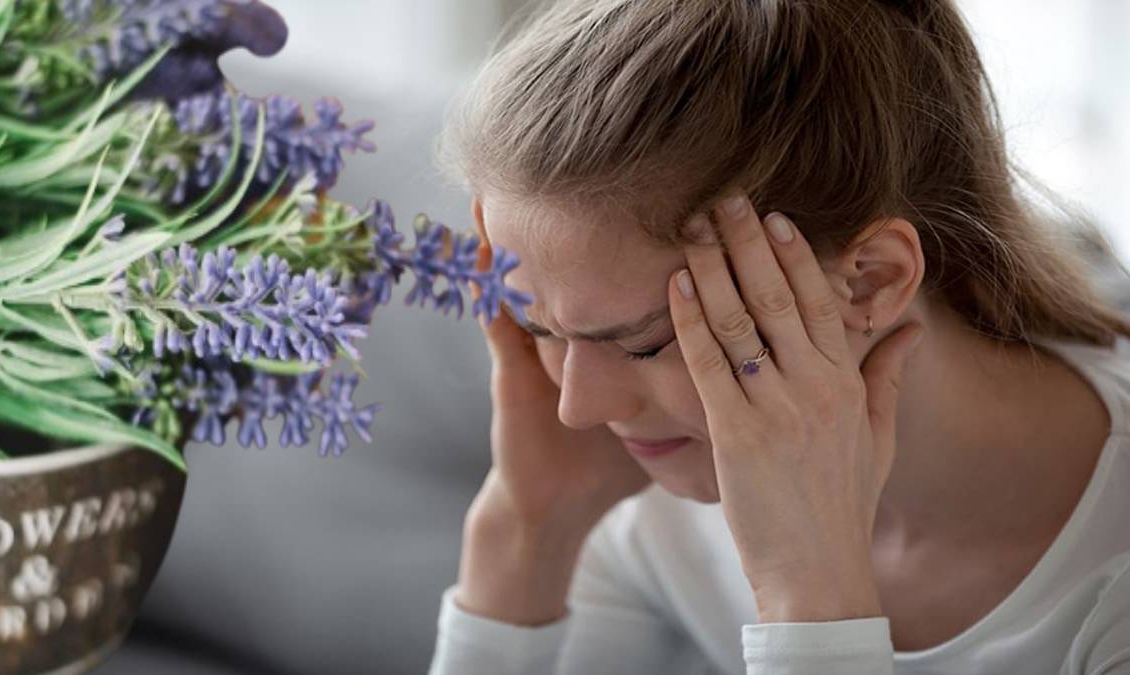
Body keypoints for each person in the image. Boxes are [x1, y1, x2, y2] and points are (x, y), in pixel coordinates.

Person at [427, 0, 1130, 673]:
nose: (578, 409)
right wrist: (527, 528)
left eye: (646, 341)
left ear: (871, 280)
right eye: (539, 328)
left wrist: (811, 593)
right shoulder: (653, 502)